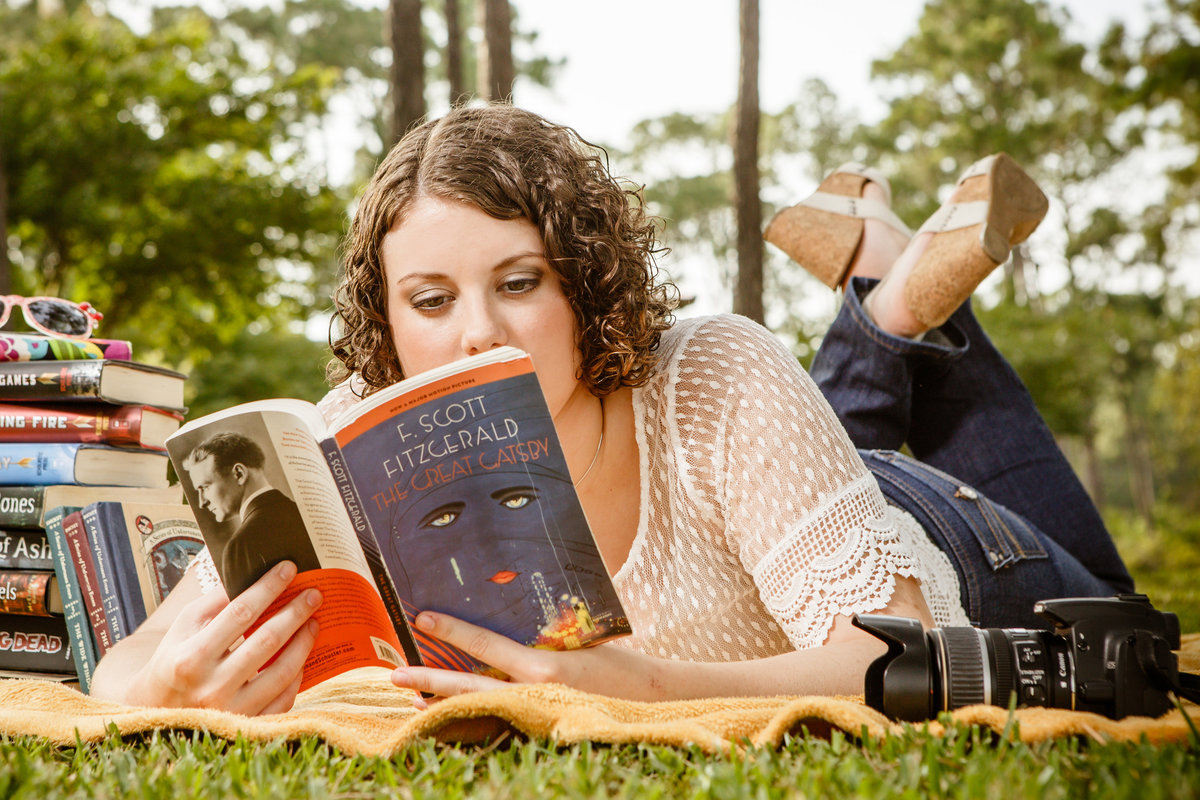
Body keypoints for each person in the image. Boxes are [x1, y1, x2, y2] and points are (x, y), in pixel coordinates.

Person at [88, 105, 1132, 714]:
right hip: (786, 497)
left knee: (1125, 620)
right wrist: (158, 687)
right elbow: (133, 662)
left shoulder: (716, 372)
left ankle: (890, 287)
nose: (476, 334)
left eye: (522, 282)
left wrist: (641, 682)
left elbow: (901, 648)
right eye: (432, 299)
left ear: (585, 282)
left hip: (954, 543)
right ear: (388, 316)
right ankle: (888, 282)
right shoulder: (355, 435)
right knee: (839, 419)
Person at [181, 432, 321, 597]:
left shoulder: (240, 546)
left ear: (239, 474)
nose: (201, 502)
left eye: (205, 487)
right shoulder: (311, 516)